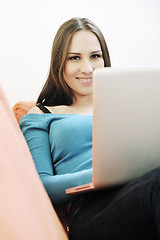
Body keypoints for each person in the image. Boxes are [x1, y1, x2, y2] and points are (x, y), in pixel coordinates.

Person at [20, 17, 160, 239]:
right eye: (74, 58)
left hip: (141, 186)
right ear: (59, 63)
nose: (87, 68)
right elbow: (42, 187)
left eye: (95, 56)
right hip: (90, 209)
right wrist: (104, 175)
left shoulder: (130, 103)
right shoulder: (40, 116)